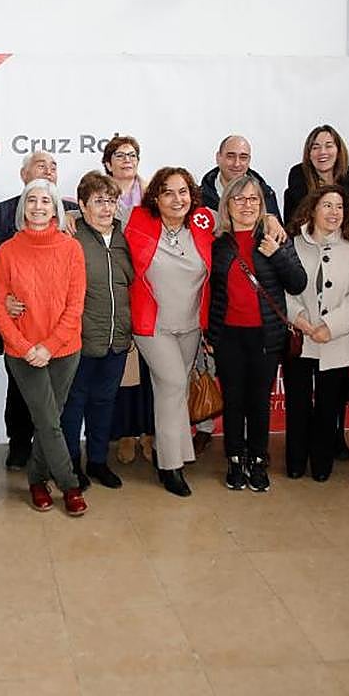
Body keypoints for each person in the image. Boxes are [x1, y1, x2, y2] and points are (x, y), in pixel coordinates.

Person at [0, 179, 88, 516]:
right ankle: (70, 485)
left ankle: (36, 477)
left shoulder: (71, 249)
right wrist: (24, 345)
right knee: (47, 421)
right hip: (23, 353)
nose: (38, 206)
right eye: (31, 200)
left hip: (64, 350)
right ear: (22, 207)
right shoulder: (8, 250)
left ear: (55, 208)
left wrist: (48, 346)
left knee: (51, 419)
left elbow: (75, 307)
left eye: (45, 200)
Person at [207, 174, 307, 492]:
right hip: (229, 336)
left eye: (253, 199)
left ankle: (259, 460)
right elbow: (213, 291)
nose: (246, 205)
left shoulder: (275, 237)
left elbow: (298, 283)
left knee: (259, 401)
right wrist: (211, 334)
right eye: (239, 199)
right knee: (234, 400)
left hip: (265, 335)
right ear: (228, 205)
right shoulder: (218, 242)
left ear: (262, 205)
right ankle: (235, 459)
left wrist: (276, 254)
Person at [124, 167, 216, 497]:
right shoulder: (137, 220)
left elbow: (240, 214)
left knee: (172, 391)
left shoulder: (204, 222)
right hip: (152, 326)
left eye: (183, 192)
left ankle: (175, 454)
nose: (177, 199)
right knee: (173, 385)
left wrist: (272, 220)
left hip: (191, 325)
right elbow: (98, 212)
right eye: (168, 192)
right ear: (156, 199)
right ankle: (170, 466)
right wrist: (72, 216)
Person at [282, 127, 349, 461]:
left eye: (339, 207)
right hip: (300, 335)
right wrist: (301, 321)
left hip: (336, 336)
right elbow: (284, 289)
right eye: (326, 206)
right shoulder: (293, 243)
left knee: (331, 401)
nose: (333, 212)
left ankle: (325, 455)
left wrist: (330, 326)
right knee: (299, 401)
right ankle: (297, 458)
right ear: (311, 208)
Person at [60, 171, 134, 490]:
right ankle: (72, 463)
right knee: (74, 404)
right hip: (80, 340)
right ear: (82, 205)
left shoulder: (124, 236)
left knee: (105, 403)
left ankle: (99, 461)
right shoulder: (70, 237)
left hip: (117, 340)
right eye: (98, 201)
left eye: (111, 201)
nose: (106, 208)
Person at [100, 134, 157, 467]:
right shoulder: (98, 194)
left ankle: (149, 433)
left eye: (132, 154)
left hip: (151, 290)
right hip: (117, 291)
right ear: (108, 162)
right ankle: (124, 433)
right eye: (119, 155)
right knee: (123, 369)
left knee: (151, 370)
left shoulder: (153, 194)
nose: (126, 160)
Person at [282, 125, 349, 224]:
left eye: (329, 146)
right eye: (315, 147)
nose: (322, 152)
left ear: (338, 151)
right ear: (309, 154)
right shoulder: (298, 177)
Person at [199, 135, 282, 219]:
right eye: (230, 156)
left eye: (243, 157)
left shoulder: (265, 195)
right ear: (218, 157)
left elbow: (278, 231)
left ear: (249, 160)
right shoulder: (199, 197)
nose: (236, 164)